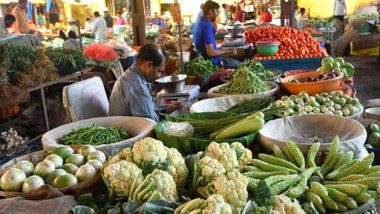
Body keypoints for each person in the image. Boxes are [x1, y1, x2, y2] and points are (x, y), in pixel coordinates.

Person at [109, 44, 166, 122]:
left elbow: (149, 110)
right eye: (159, 71)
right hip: (129, 131)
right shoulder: (136, 86)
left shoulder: (134, 73)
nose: (159, 76)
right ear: (149, 65)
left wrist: (165, 111)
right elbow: (150, 124)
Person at [193, 0, 240, 69]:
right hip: (215, 63)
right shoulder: (206, 26)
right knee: (242, 64)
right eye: (216, 11)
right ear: (210, 11)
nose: (217, 14)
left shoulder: (200, 22)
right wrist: (228, 51)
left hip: (206, 60)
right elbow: (211, 52)